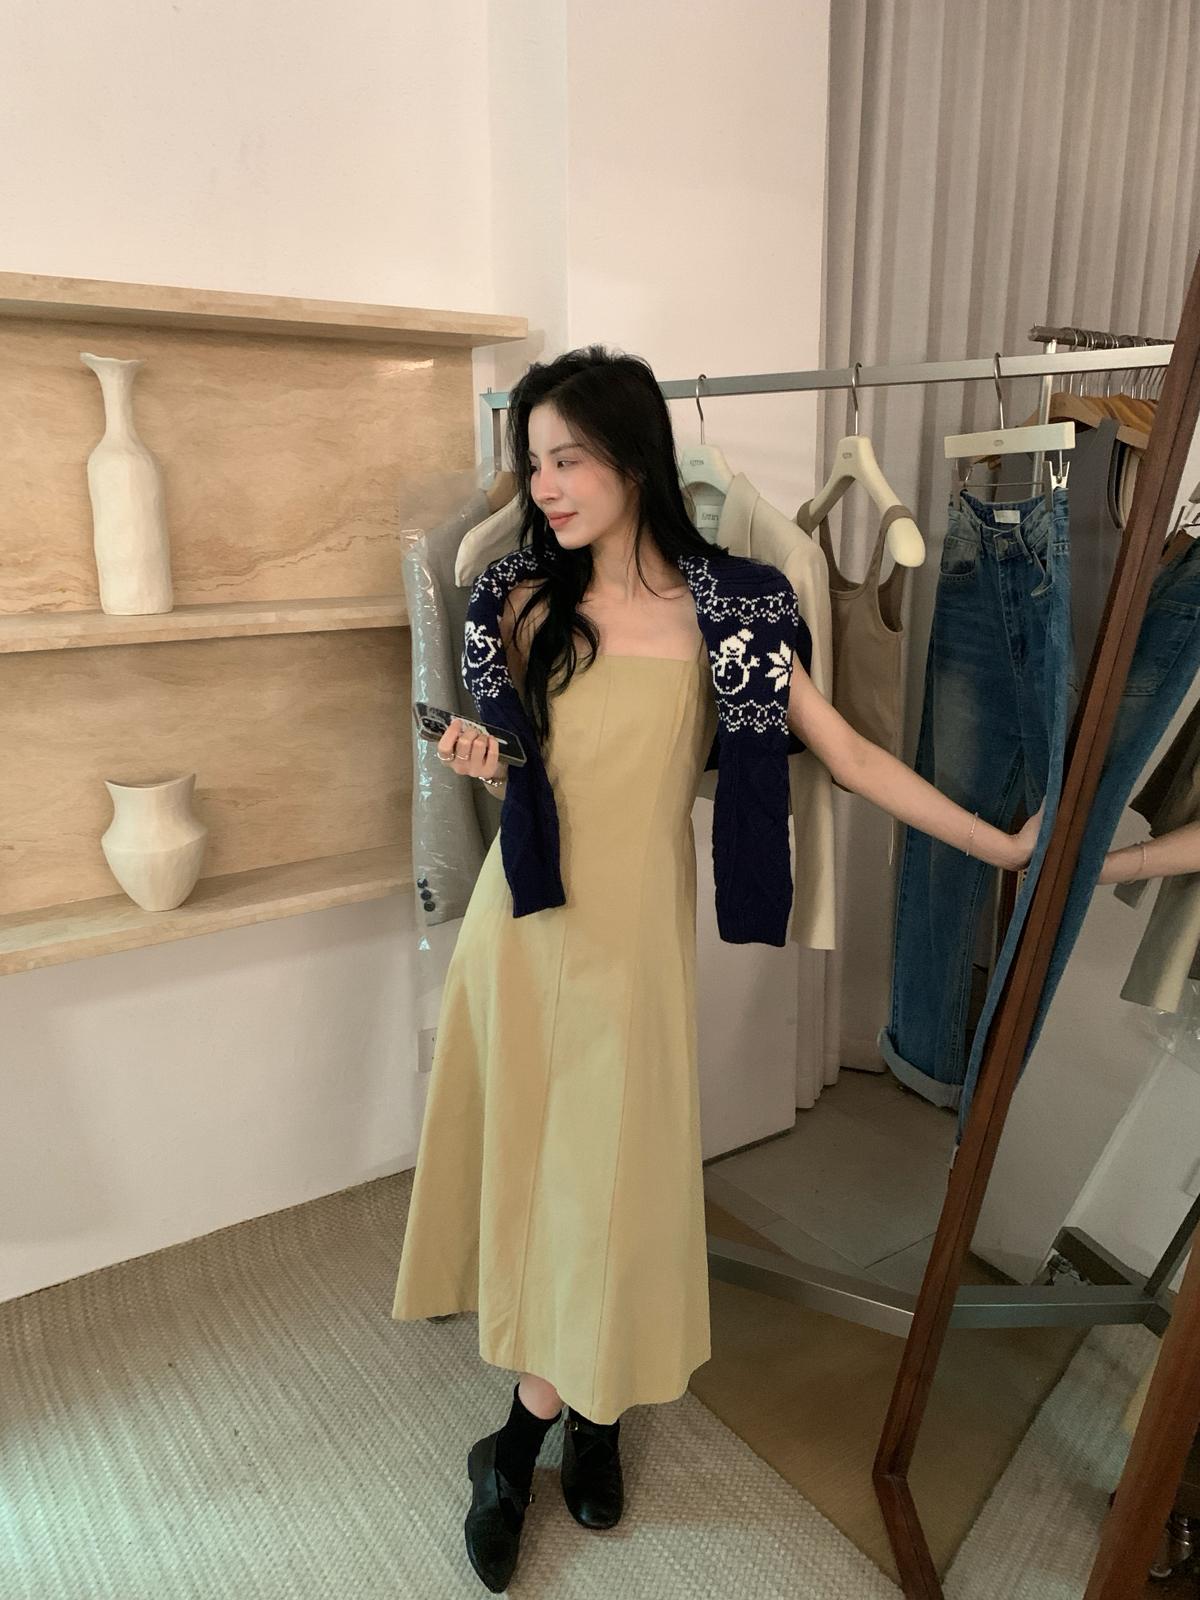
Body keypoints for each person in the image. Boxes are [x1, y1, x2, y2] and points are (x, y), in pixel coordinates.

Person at [392, 346, 1040, 1594]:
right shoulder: (515, 601)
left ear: (635, 459)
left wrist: (999, 842)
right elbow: (523, 780)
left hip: (634, 949)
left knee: (612, 1186)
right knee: (548, 1183)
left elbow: (848, 753)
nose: (545, 486)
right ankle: (552, 1428)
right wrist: (485, 759)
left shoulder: (733, 608)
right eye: (534, 464)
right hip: (524, 932)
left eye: (567, 459)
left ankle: (538, 1433)